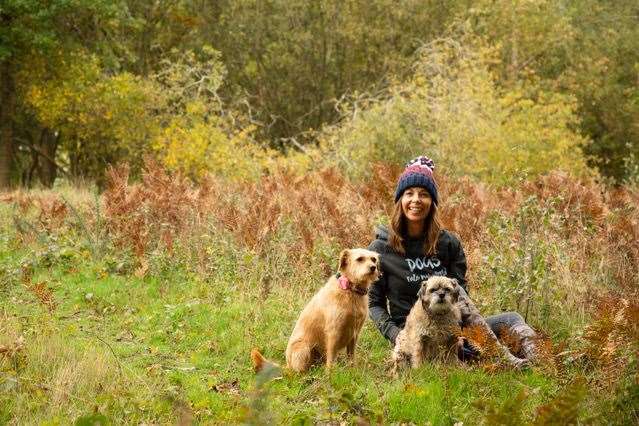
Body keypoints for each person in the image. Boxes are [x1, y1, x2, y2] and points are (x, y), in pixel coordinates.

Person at [368, 156, 537, 363]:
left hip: (450, 326)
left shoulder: (448, 243)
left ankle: (542, 362)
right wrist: (396, 335)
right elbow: (374, 303)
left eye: (424, 194)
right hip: (416, 335)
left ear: (433, 202)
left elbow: (460, 296)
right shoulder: (380, 249)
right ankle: (503, 359)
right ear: (399, 200)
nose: (416, 200)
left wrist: (461, 332)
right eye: (409, 193)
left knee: (511, 319)